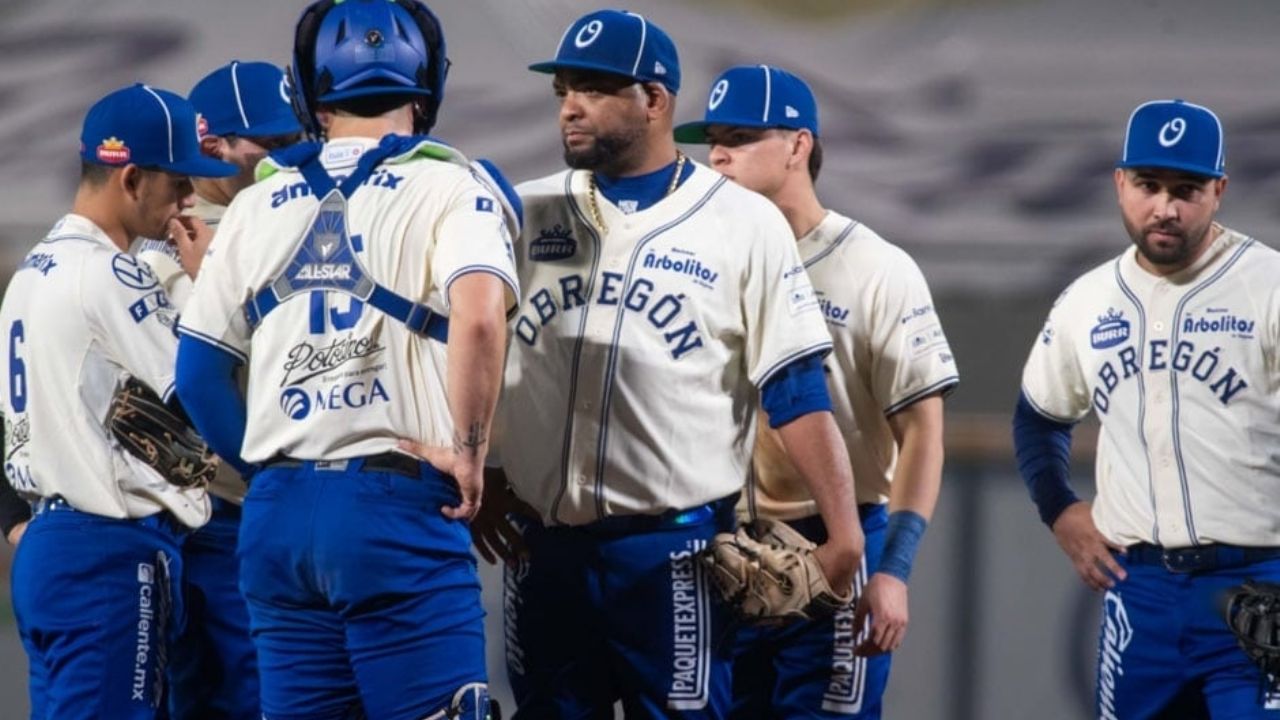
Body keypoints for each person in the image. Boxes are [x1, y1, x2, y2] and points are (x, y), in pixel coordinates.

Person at [470, 11, 862, 719]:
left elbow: (795, 387)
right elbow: (470, 348)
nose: (569, 105)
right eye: (564, 87)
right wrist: (480, 467)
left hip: (673, 555)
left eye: (593, 87)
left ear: (654, 99)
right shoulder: (524, 212)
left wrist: (846, 531)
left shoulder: (742, 223)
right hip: (544, 551)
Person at [174, 1, 519, 718]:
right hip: (395, 506)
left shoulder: (256, 203)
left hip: (277, 518)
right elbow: (481, 316)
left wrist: (269, 475)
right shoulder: (453, 183)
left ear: (311, 96)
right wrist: (470, 452)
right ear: (426, 89)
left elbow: (199, 373)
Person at [674, 65, 959, 718]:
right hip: (718, 543)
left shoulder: (877, 269)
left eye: (741, 137)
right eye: (712, 138)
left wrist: (892, 570)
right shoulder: (695, 262)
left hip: (836, 540)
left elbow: (923, 432)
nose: (717, 154)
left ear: (798, 146)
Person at [1013, 99, 1280, 718]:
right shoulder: (1088, 299)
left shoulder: (1267, 286)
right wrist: (1059, 510)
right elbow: (1039, 417)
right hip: (1141, 589)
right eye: (1148, 185)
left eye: (1186, 189)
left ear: (1218, 190)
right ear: (1119, 184)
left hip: (1258, 581)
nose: (1165, 207)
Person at [0, 82, 236, 718]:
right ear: (131, 178)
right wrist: (211, 285)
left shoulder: (30, 272)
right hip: (106, 552)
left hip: (51, 545)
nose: (189, 200)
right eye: (178, 182)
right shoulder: (109, 272)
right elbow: (198, 393)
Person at [133, 60, 302, 720]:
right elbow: (145, 404)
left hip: (269, 507)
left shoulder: (282, 213)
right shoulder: (166, 249)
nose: (293, 155)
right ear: (213, 147)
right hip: (210, 514)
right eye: (277, 143)